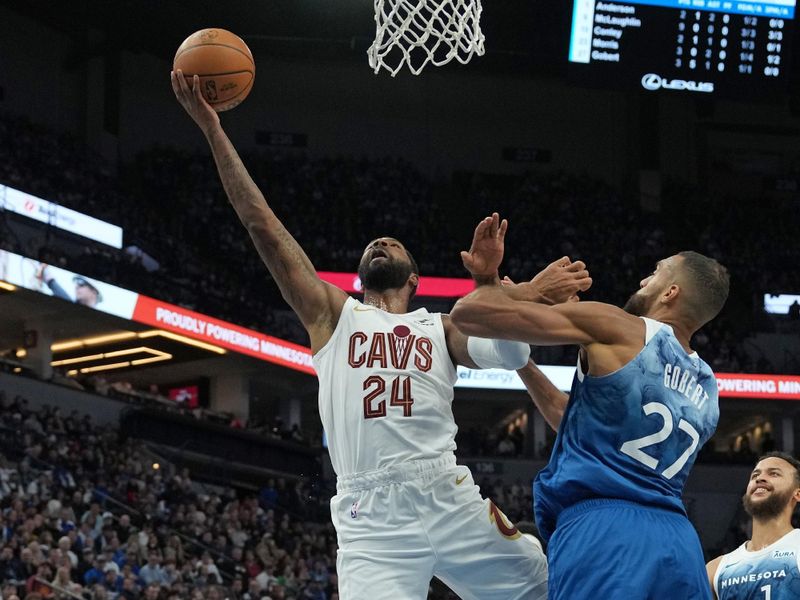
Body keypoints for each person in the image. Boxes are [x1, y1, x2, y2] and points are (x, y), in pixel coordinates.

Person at [171, 72, 592, 599]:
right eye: (373, 244)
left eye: (390, 243)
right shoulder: (332, 315)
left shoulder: (439, 327)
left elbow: (507, 350)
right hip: (370, 521)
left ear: (414, 278)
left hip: (446, 493)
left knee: (552, 589)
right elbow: (260, 223)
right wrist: (212, 129)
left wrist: (496, 287)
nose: (379, 243)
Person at [451, 213, 730, 599]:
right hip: (678, 543)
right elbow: (576, 420)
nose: (644, 279)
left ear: (670, 293)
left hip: (604, 532)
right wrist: (524, 365)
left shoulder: (618, 325)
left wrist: (514, 286)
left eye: (656, 272)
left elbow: (468, 315)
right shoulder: (708, 386)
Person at [706, 452, 800, 599]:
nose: (760, 478)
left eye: (774, 474)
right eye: (755, 475)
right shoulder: (715, 569)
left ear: (797, 494)